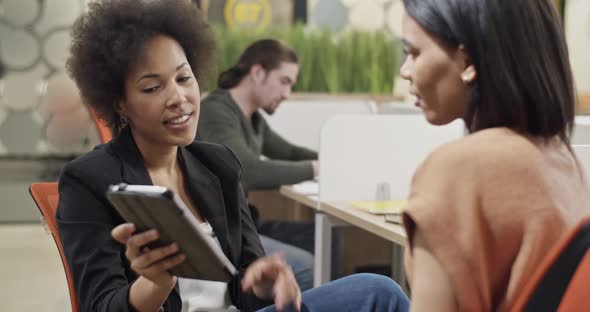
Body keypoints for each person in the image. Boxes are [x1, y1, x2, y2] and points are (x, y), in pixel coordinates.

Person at [56, 0, 410, 311]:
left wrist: (262, 284)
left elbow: (248, 286)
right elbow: (100, 305)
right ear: (119, 102)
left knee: (380, 291)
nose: (178, 97)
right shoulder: (89, 180)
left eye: (184, 78)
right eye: (152, 87)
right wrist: (154, 285)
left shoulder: (218, 164)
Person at [398, 0, 590, 311]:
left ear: (468, 61)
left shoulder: (455, 171)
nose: (405, 70)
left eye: (414, 53)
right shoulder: (564, 162)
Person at [197, 40, 337, 277]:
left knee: (326, 237)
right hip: (221, 235)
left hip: (245, 226)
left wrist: (340, 159)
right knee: (306, 266)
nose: (287, 94)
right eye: (284, 82)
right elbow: (247, 170)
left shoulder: (254, 119)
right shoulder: (215, 112)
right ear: (258, 72)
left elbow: (291, 153)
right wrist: (317, 168)